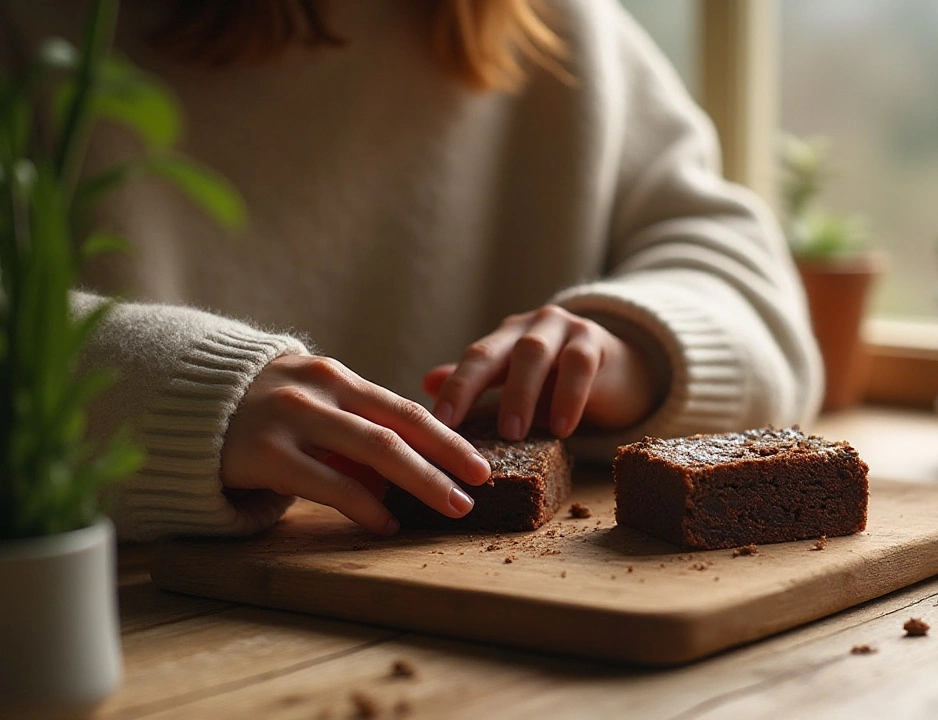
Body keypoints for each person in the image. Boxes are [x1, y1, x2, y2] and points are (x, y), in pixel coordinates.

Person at [4, 0, 822, 541]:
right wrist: (177, 396)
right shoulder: (35, 37)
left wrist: (635, 346)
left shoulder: (560, 30)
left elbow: (747, 287)